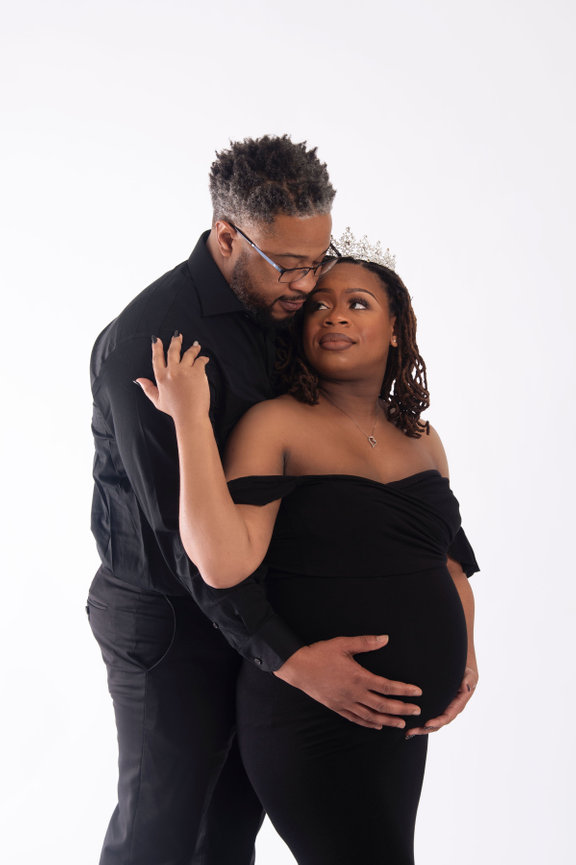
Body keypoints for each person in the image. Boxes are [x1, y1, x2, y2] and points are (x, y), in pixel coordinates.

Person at [88, 137, 427, 865]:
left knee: (228, 834)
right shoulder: (153, 344)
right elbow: (187, 550)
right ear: (224, 237)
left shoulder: (287, 304)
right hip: (169, 618)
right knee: (160, 831)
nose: (309, 284)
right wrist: (294, 659)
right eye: (290, 265)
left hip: (253, 608)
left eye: (319, 256)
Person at [136, 236, 479, 865]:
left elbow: (448, 561)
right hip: (311, 715)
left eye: (357, 303)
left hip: (400, 723)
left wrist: (465, 655)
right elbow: (223, 561)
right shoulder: (278, 424)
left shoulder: (423, 439)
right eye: (318, 305)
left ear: (397, 329)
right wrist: (189, 418)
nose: (334, 315)